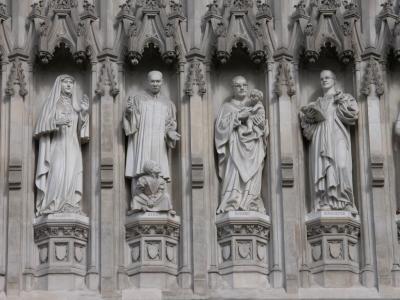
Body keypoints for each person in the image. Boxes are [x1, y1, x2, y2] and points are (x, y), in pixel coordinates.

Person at [299, 70, 359, 212]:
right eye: (321, 79)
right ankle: (324, 200)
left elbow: (353, 114)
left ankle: (345, 201)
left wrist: (342, 102)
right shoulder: (317, 103)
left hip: (338, 136)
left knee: (342, 165)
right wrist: (307, 117)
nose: (324, 80)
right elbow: (307, 130)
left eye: (327, 78)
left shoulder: (344, 97)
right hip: (320, 139)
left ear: (334, 80)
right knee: (323, 169)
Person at [124, 70, 180, 212]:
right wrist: (130, 113)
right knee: (140, 169)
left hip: (158, 142)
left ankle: (160, 202)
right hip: (141, 141)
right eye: (152, 81)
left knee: (158, 169)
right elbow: (132, 124)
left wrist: (171, 133)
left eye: (158, 81)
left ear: (162, 82)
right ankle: (139, 203)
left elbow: (170, 124)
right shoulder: (138, 98)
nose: (155, 84)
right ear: (147, 82)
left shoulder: (168, 104)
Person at [34, 74, 89, 216]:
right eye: (66, 82)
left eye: (71, 82)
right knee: (57, 173)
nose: (69, 85)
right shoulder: (52, 104)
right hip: (57, 146)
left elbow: (82, 134)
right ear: (60, 84)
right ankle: (52, 204)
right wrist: (57, 122)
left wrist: (83, 112)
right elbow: (41, 126)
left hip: (72, 146)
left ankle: (69, 203)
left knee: (71, 174)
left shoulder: (75, 106)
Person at [215, 76, 268, 214]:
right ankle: (232, 201)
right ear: (233, 89)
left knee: (253, 176)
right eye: (238, 85)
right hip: (235, 148)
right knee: (234, 173)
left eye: (244, 85)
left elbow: (263, 128)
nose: (242, 88)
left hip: (254, 147)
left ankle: (250, 201)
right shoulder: (227, 107)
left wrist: (261, 125)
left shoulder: (255, 106)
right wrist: (238, 116)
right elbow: (220, 129)